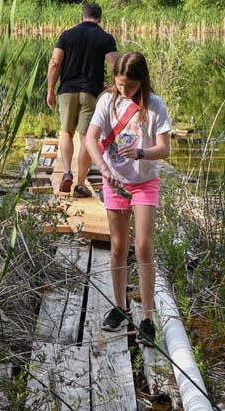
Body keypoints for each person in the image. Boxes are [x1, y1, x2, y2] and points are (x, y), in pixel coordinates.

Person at [84, 52, 171, 347]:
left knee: (144, 246)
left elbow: (164, 149)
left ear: (141, 82)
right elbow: (90, 138)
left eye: (130, 86)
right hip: (115, 182)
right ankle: (120, 307)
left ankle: (147, 317)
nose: (124, 90)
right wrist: (104, 169)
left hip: (145, 181)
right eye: (120, 84)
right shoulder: (107, 100)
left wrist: (143, 153)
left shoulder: (154, 104)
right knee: (119, 246)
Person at [46, 3, 119, 198]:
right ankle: (79, 185)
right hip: (91, 92)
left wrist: (50, 90)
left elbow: (55, 63)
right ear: (100, 19)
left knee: (66, 132)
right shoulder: (105, 38)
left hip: (67, 91)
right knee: (87, 137)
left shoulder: (67, 35)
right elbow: (115, 67)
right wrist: (116, 90)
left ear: (81, 17)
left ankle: (67, 172)